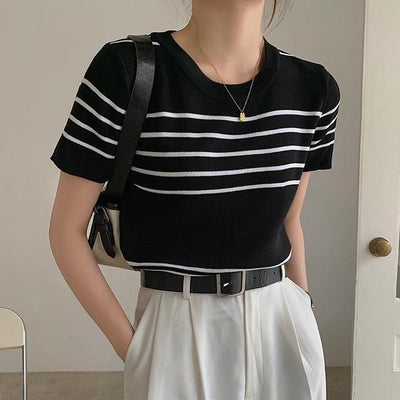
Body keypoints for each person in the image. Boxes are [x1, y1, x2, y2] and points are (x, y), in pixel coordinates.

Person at [48, 1, 341, 399]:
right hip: (176, 325)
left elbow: (290, 220)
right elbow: (66, 230)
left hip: (281, 323)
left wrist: (303, 308)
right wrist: (134, 350)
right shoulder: (126, 69)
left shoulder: (314, 88)